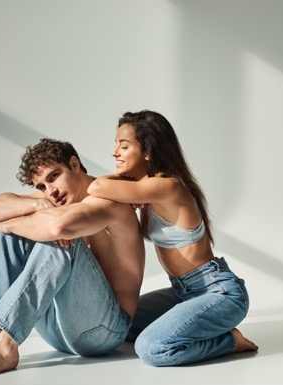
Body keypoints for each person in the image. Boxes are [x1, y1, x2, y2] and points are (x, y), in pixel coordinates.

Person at [0, 138, 145, 378]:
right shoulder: (51, 198)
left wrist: (9, 223)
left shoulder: (106, 198)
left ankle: (6, 346)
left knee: (62, 237)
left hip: (104, 332)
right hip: (57, 333)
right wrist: (36, 204)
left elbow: (58, 229)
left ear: (75, 164)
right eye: (42, 186)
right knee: (8, 237)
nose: (51, 191)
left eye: (54, 176)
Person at [87, 110, 257, 367]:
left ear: (147, 151)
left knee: (152, 348)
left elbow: (96, 187)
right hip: (182, 292)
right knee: (121, 324)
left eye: (123, 146)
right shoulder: (146, 189)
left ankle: (231, 342)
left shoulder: (167, 186)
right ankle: (201, 330)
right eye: (115, 146)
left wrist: (124, 181)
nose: (115, 153)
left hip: (218, 292)